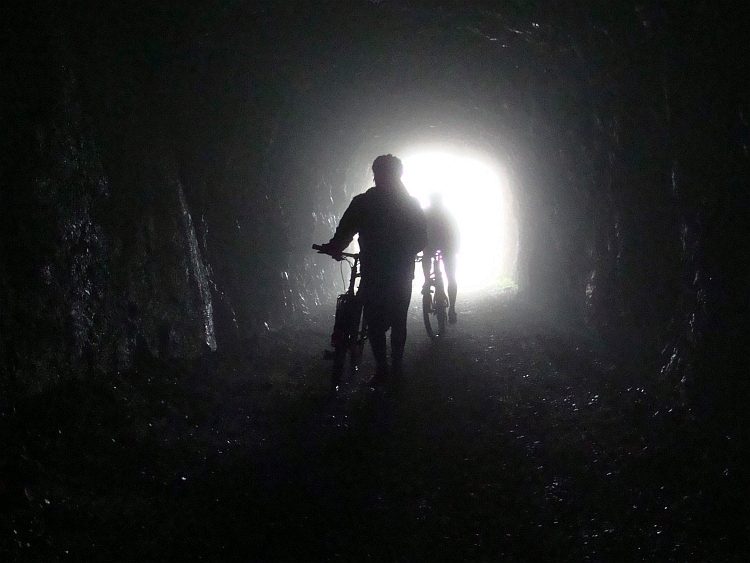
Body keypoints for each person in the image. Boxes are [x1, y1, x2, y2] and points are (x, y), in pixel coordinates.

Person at [316, 154, 427, 384]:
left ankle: (382, 369)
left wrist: (335, 248)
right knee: (398, 319)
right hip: (401, 270)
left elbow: (346, 230)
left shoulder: (363, 202)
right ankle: (395, 368)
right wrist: (405, 251)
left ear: (375, 173)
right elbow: (421, 239)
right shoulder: (411, 204)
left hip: (372, 269)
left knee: (374, 321)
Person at [422, 192, 460, 324]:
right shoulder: (448, 214)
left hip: (432, 246)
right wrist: (455, 249)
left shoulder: (425, 213)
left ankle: (427, 282)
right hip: (447, 247)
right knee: (451, 277)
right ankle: (452, 310)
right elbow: (456, 233)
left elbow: (419, 231)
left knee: (426, 257)